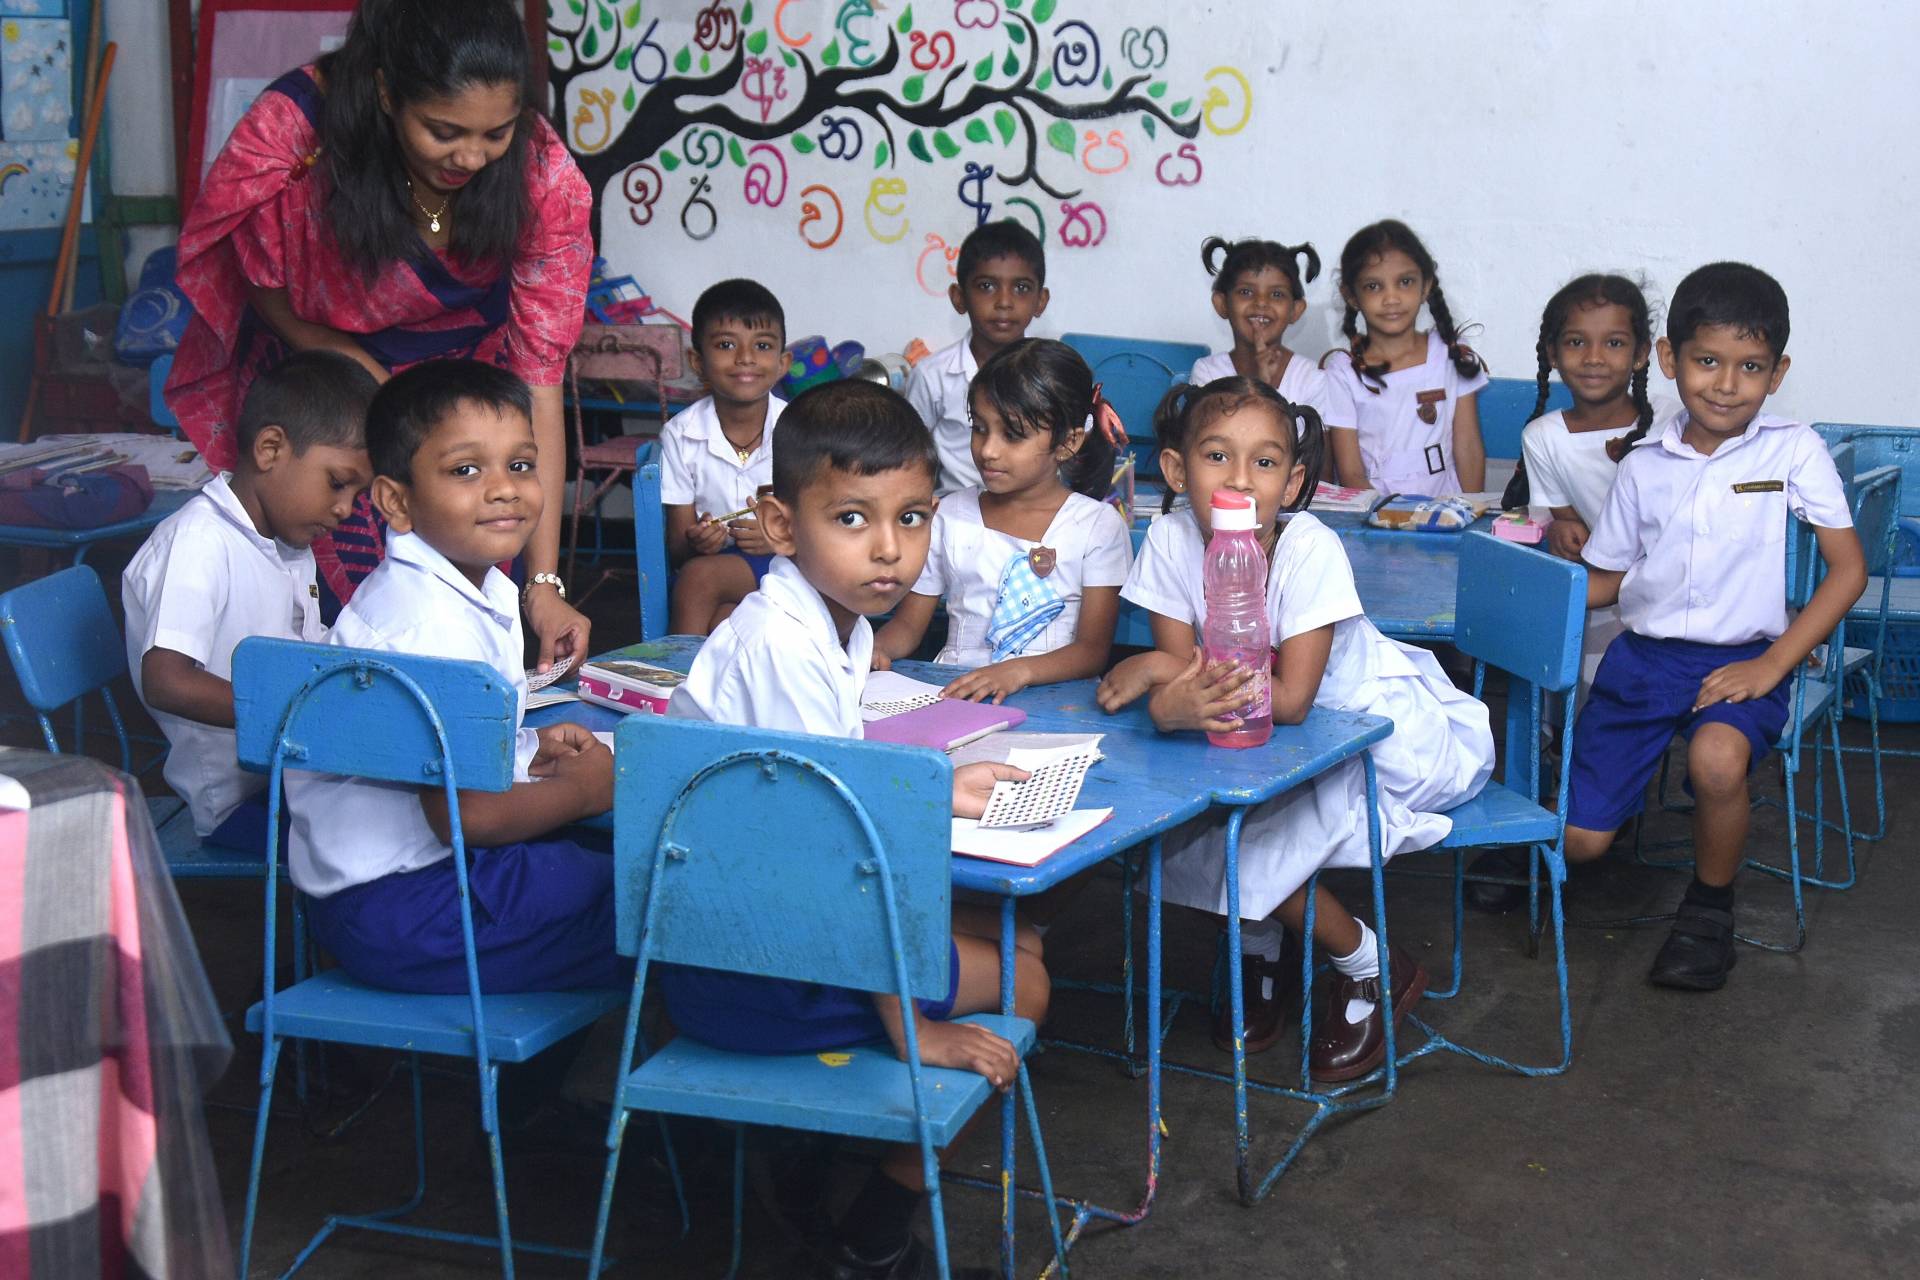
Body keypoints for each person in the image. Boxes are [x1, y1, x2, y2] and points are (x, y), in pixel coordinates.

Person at [666, 380, 1044, 1280]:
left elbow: (828, 794)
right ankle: (875, 1233)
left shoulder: (832, 627)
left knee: (1015, 931)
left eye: (912, 518)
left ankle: (806, 1165)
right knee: (1025, 980)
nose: (888, 549)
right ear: (780, 523)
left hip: (754, 930)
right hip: (744, 965)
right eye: (851, 519)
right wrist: (914, 1030)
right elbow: (837, 862)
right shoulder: (781, 648)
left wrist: (938, 788)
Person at [166, 0, 593, 672]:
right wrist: (342, 357)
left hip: (459, 398)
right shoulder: (297, 137)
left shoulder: (542, 175)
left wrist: (542, 586)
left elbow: (538, 382)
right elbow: (252, 273)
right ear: (387, 94)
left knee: (470, 561)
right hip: (324, 376)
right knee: (330, 603)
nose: (471, 157)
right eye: (444, 131)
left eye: (496, 134)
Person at [1095, 377, 1493, 1078]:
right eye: (1217, 456)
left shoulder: (1310, 548)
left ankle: (1372, 964)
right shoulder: (1169, 537)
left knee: (1236, 842)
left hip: (1376, 737)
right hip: (1263, 742)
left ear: (1295, 480)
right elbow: (1192, 676)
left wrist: (1161, 686)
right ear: (1177, 471)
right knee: (1178, 828)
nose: (1240, 480)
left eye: (1265, 462)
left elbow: (1290, 699)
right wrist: (1171, 691)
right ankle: (1261, 950)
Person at [1562, 261, 1865, 991]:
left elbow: (1848, 570)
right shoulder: (1643, 465)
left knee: (1719, 761)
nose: (1727, 384)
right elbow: (1608, 577)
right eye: (1707, 361)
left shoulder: (1792, 449)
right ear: (1670, 359)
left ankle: (1707, 911)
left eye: (1750, 366)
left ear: (1777, 372)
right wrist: (1534, 590)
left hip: (1746, 658)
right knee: (1581, 845)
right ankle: (1566, 830)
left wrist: (1774, 664)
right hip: (1643, 661)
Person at [287, 360, 620, 995]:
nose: (504, 489)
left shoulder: (471, 589)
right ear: (396, 501)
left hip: (412, 885)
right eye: (466, 470)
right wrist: (587, 791)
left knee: (622, 872)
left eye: (520, 465)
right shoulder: (424, 626)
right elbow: (469, 817)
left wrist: (523, 752)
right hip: (411, 905)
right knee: (662, 910)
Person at [1468, 273, 1679, 913]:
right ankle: (1551, 816)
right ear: (1553, 353)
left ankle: (1588, 815)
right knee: (1547, 672)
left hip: (1669, 601)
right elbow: (1559, 516)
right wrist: (1561, 526)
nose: (1593, 357)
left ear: (1640, 354)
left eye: (1613, 343)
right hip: (1598, 597)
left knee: (1611, 688)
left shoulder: (1673, 422)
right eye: (1576, 342)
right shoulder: (1544, 437)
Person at [123, 351, 377, 850]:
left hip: (292, 776)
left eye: (356, 494)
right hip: (240, 803)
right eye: (337, 482)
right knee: (404, 829)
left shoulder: (285, 543)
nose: (346, 509)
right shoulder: (198, 542)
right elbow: (166, 681)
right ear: (270, 449)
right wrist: (303, 714)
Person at [874, 338, 1130, 700]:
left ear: (1068, 442)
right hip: (957, 694)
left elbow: (1091, 652)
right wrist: (875, 649)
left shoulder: (1097, 527)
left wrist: (1017, 672)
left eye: (1012, 435)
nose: (988, 450)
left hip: (1058, 703)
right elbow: (907, 628)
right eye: (979, 428)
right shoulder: (949, 516)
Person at [1320, 219, 1489, 496]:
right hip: (1375, 513)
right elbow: (1350, 473)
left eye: (1405, 282)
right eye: (1373, 286)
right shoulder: (1344, 372)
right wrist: (1390, 515)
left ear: (1426, 286)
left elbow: (1468, 446)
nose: (1391, 298)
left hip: (1448, 509)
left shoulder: (1450, 353)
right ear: (1351, 296)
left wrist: (1469, 509)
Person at [662, 278, 789, 634]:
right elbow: (678, 550)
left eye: (762, 345)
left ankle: (675, 668)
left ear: (783, 363)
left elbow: (823, 527)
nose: (745, 357)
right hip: (721, 568)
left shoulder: (800, 429)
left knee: (699, 578)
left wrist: (778, 537)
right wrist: (698, 542)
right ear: (697, 361)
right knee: (723, 620)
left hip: (791, 566)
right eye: (726, 344)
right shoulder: (681, 435)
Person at [906, 219, 1051, 495]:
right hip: (953, 513)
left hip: (1032, 513)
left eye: (1021, 288)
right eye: (986, 286)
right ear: (959, 297)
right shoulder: (932, 376)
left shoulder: (1050, 376)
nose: (1004, 302)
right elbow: (907, 458)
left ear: (1040, 301)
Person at [1189, 235, 1342, 438]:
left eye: (1277, 294)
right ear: (1222, 303)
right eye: (1246, 292)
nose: (1261, 302)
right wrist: (1260, 386)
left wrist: (1265, 391)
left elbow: (1319, 457)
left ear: (1295, 310)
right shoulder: (1208, 373)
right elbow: (1204, 446)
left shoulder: (1312, 379)